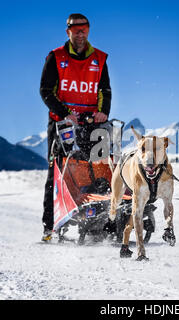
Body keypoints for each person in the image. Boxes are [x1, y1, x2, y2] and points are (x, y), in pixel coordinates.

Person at [39, 13, 112, 241]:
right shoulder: (56, 57)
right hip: (62, 125)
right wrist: (65, 114)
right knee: (59, 173)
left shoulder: (99, 59)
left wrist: (103, 112)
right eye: (76, 30)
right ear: (68, 32)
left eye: (84, 29)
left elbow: (105, 91)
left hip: (92, 124)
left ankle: (98, 223)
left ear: (88, 31)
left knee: (98, 171)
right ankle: (50, 226)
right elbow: (46, 91)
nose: (80, 33)